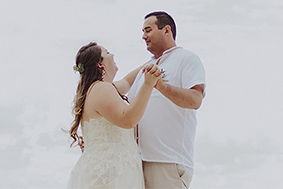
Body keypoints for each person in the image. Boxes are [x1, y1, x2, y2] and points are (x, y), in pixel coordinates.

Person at [114, 12, 206, 189]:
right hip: (138, 161)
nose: (143, 36)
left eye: (148, 30)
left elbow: (195, 100)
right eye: (143, 31)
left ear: (166, 30)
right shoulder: (146, 68)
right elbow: (127, 104)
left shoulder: (187, 59)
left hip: (167, 161)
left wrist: (161, 87)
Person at [66, 42, 162, 189]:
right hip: (112, 174)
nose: (112, 55)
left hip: (112, 170)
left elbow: (127, 81)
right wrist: (148, 84)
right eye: (107, 52)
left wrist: (155, 60)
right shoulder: (101, 88)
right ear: (100, 64)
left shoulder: (98, 89)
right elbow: (128, 119)